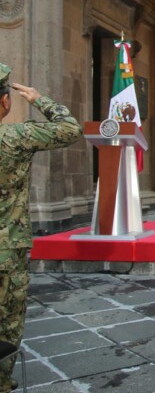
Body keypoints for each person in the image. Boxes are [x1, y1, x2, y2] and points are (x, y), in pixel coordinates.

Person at [0, 63, 82, 391]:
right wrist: (38, 99)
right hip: (9, 244)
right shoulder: (17, 136)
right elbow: (70, 128)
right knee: (8, 317)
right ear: (6, 101)